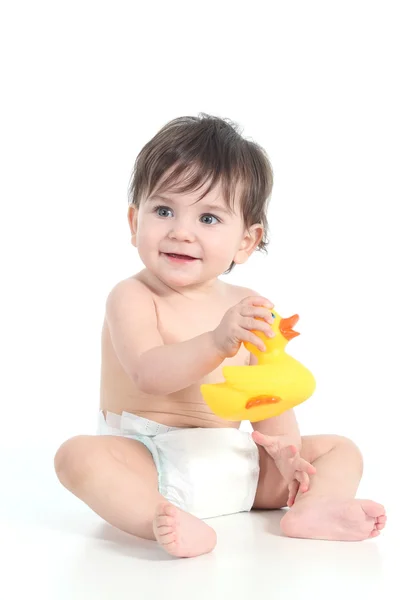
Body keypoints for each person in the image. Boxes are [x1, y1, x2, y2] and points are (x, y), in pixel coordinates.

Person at [54, 114, 386, 558]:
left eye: (209, 217)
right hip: (149, 461)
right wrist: (215, 342)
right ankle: (159, 519)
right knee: (78, 457)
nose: (181, 231)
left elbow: (269, 399)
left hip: (235, 463)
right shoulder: (132, 297)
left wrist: (285, 455)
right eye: (164, 210)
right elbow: (149, 373)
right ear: (135, 221)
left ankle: (314, 506)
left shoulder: (251, 305)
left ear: (246, 242)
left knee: (340, 450)